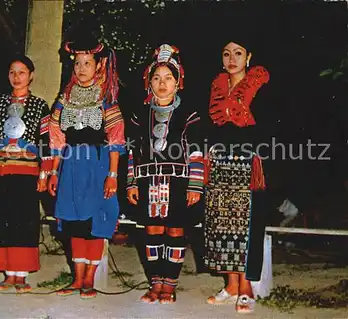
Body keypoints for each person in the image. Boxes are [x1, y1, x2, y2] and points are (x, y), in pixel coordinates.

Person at [47, 35, 125, 299]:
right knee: (72, 220)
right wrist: (54, 171)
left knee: (94, 220)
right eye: (77, 63)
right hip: (70, 165)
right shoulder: (64, 98)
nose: (81, 68)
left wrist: (113, 175)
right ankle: (76, 278)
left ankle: (90, 280)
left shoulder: (106, 98)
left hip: (97, 163)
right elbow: (56, 136)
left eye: (87, 63)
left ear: (98, 66)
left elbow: (116, 139)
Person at [126, 44, 204, 304]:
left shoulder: (189, 114)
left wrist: (195, 185)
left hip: (179, 182)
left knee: (174, 231)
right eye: (157, 78)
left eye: (168, 78)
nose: (162, 83)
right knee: (152, 231)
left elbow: (195, 152)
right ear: (149, 82)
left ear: (178, 82)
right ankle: (155, 283)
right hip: (148, 181)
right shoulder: (140, 115)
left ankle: (169, 285)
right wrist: (131, 183)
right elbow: (132, 151)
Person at [204, 36, 270, 313]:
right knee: (221, 223)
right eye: (226, 53)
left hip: (247, 160)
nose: (232, 59)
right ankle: (231, 285)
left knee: (246, 224)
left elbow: (267, 124)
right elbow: (210, 125)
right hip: (219, 160)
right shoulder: (217, 86)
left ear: (249, 56)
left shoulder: (260, 84)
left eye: (238, 53)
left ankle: (246, 287)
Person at [0, 55, 52, 293]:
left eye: (21, 72)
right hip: (0, 171)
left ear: (31, 75)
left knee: (24, 222)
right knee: (2, 221)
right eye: (12, 72)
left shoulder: (40, 106)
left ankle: (22, 275)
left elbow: (46, 142)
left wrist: (44, 175)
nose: (16, 77)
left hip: (26, 173)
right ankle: (9, 274)